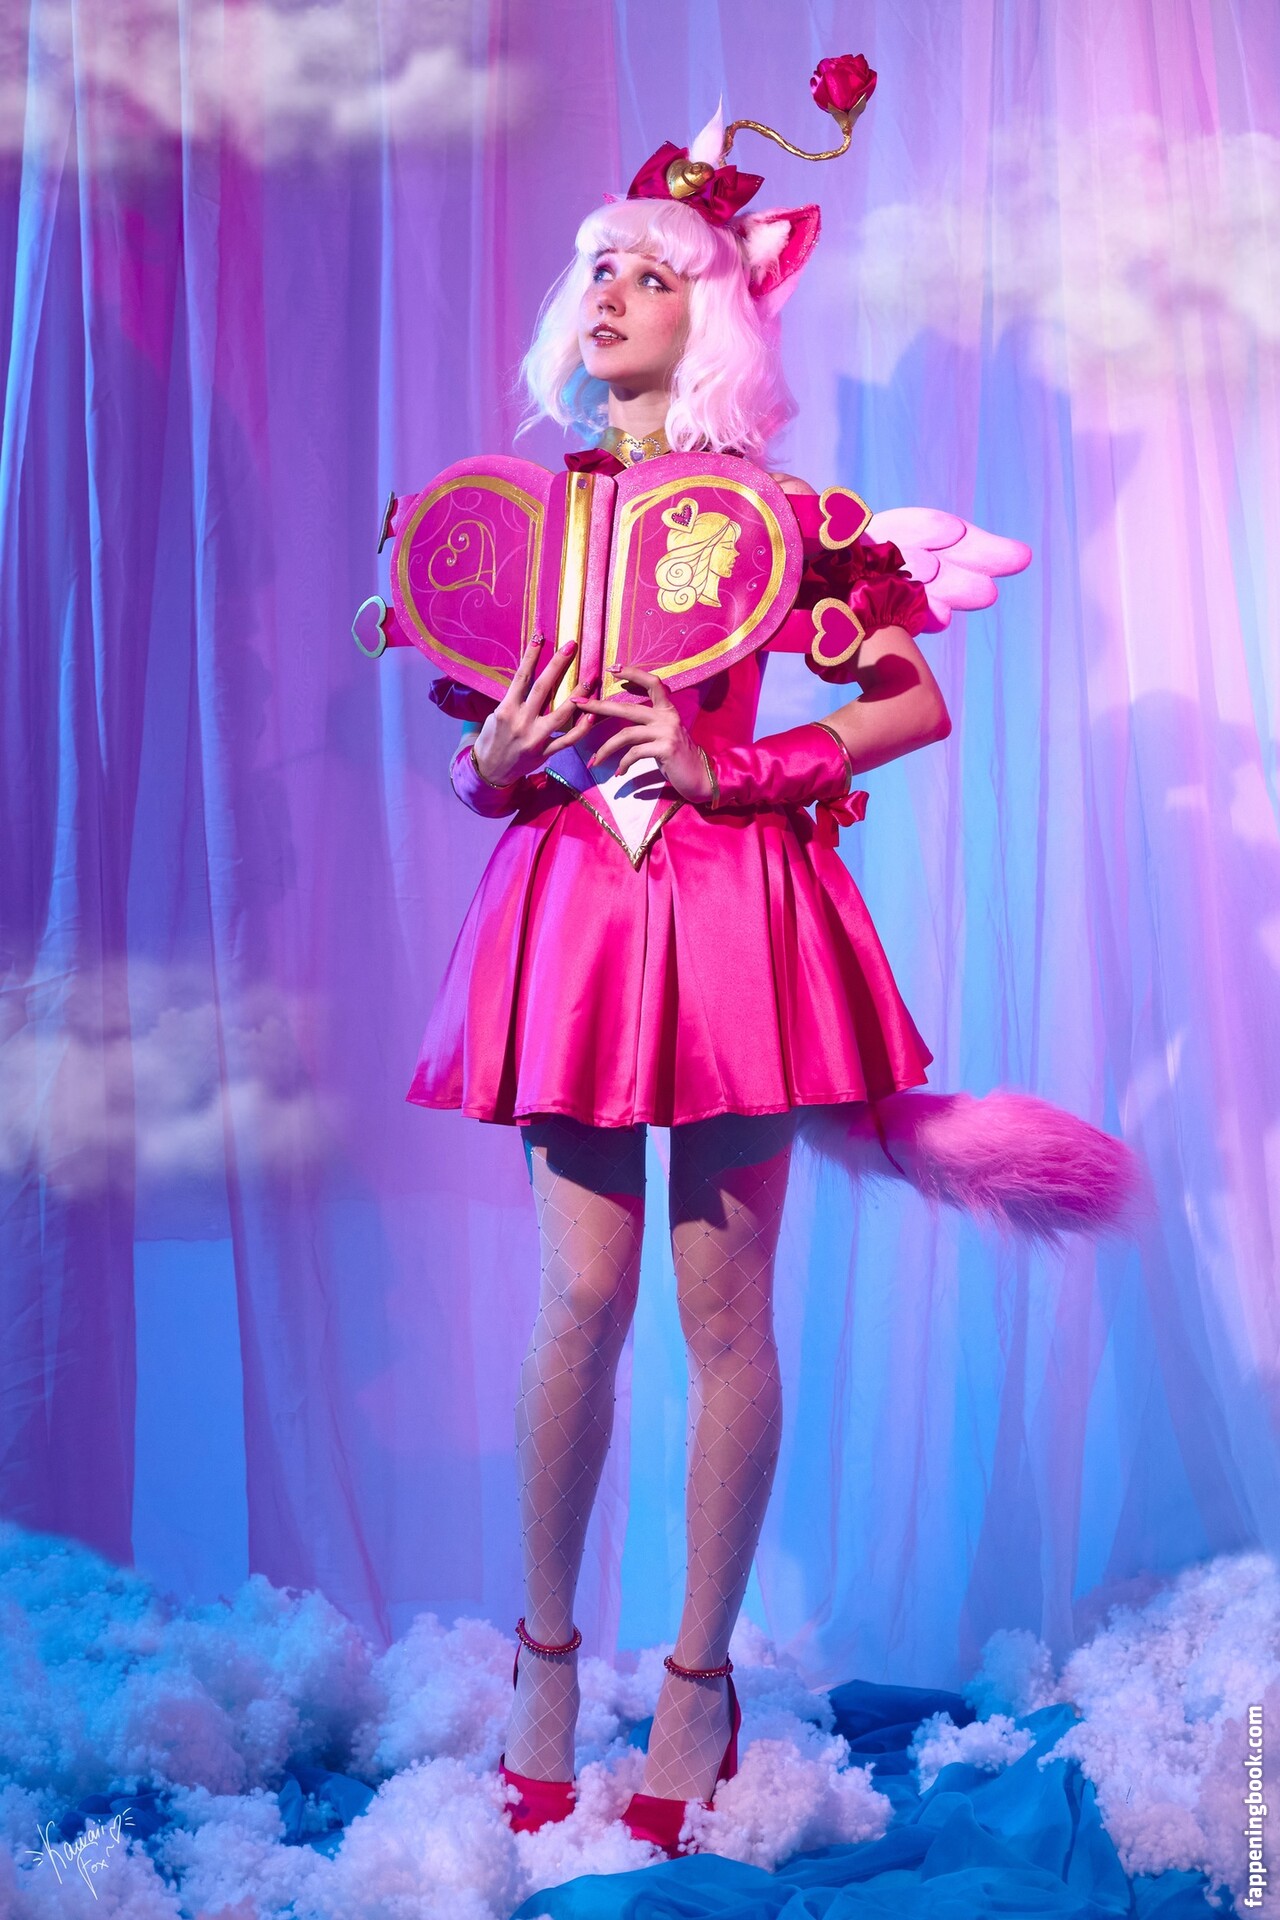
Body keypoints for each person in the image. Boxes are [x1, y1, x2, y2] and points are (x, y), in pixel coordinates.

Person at [391, 60, 1134, 1859]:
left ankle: (698, 1684)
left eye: (650, 272)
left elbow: (910, 701)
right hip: (576, 911)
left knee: (724, 1317)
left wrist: (742, 763)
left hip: (730, 917)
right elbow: (486, 748)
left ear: (710, 315)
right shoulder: (518, 519)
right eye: (598, 267)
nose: (611, 293)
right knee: (578, 1305)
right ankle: (544, 1667)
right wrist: (494, 764)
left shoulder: (781, 520)